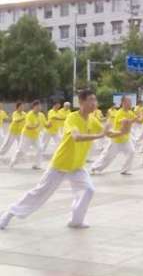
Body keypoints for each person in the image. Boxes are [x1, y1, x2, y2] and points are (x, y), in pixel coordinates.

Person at [0, 90, 130, 230]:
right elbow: (76, 137)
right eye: (91, 100)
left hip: (77, 167)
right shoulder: (72, 118)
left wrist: (123, 131)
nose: (94, 103)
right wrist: (99, 135)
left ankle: (76, 221)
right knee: (39, 193)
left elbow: (109, 134)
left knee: (89, 190)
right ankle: (9, 214)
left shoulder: (92, 119)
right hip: (60, 165)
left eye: (95, 100)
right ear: (81, 102)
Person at [90, 97, 143, 176]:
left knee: (131, 152)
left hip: (125, 139)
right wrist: (135, 118)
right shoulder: (119, 113)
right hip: (116, 139)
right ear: (123, 103)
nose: (130, 103)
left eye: (130, 101)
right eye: (129, 101)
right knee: (107, 156)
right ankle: (94, 167)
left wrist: (141, 116)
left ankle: (125, 170)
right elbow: (125, 122)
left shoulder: (130, 112)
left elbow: (139, 121)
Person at [10, 100, 47, 170]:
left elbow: (45, 124)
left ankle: (37, 165)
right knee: (21, 151)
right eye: (37, 106)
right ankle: (13, 161)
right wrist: (35, 126)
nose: (39, 108)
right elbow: (28, 126)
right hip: (27, 136)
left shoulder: (42, 115)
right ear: (33, 107)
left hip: (36, 136)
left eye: (40, 106)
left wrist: (48, 125)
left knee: (40, 148)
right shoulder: (29, 114)